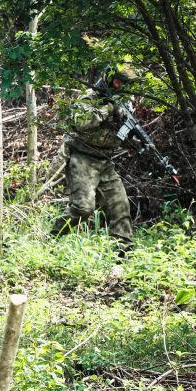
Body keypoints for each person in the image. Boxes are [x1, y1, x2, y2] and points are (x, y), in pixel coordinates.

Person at [50, 64, 138, 259]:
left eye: (124, 84)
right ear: (108, 79)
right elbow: (82, 123)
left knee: (120, 205)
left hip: (105, 161)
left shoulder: (124, 102)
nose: (119, 87)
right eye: (117, 82)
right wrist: (109, 108)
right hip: (83, 158)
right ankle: (51, 238)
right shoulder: (90, 97)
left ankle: (124, 251)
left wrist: (136, 137)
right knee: (83, 208)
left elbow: (124, 134)